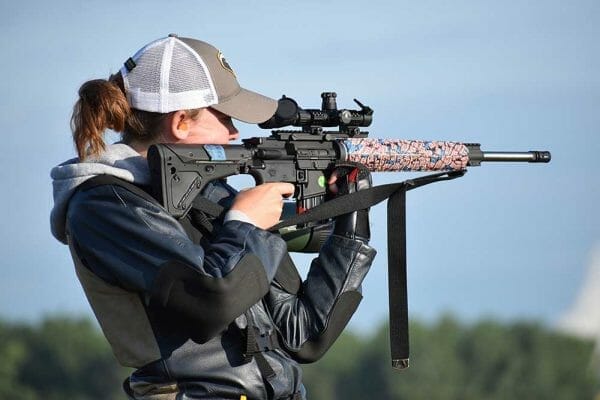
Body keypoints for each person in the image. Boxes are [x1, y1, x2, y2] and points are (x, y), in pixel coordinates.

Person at [50, 34, 376, 400]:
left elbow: (302, 336)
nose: (236, 133)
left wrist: (351, 219)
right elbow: (210, 304)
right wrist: (246, 224)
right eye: (225, 118)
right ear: (181, 123)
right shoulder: (105, 207)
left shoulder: (209, 195)